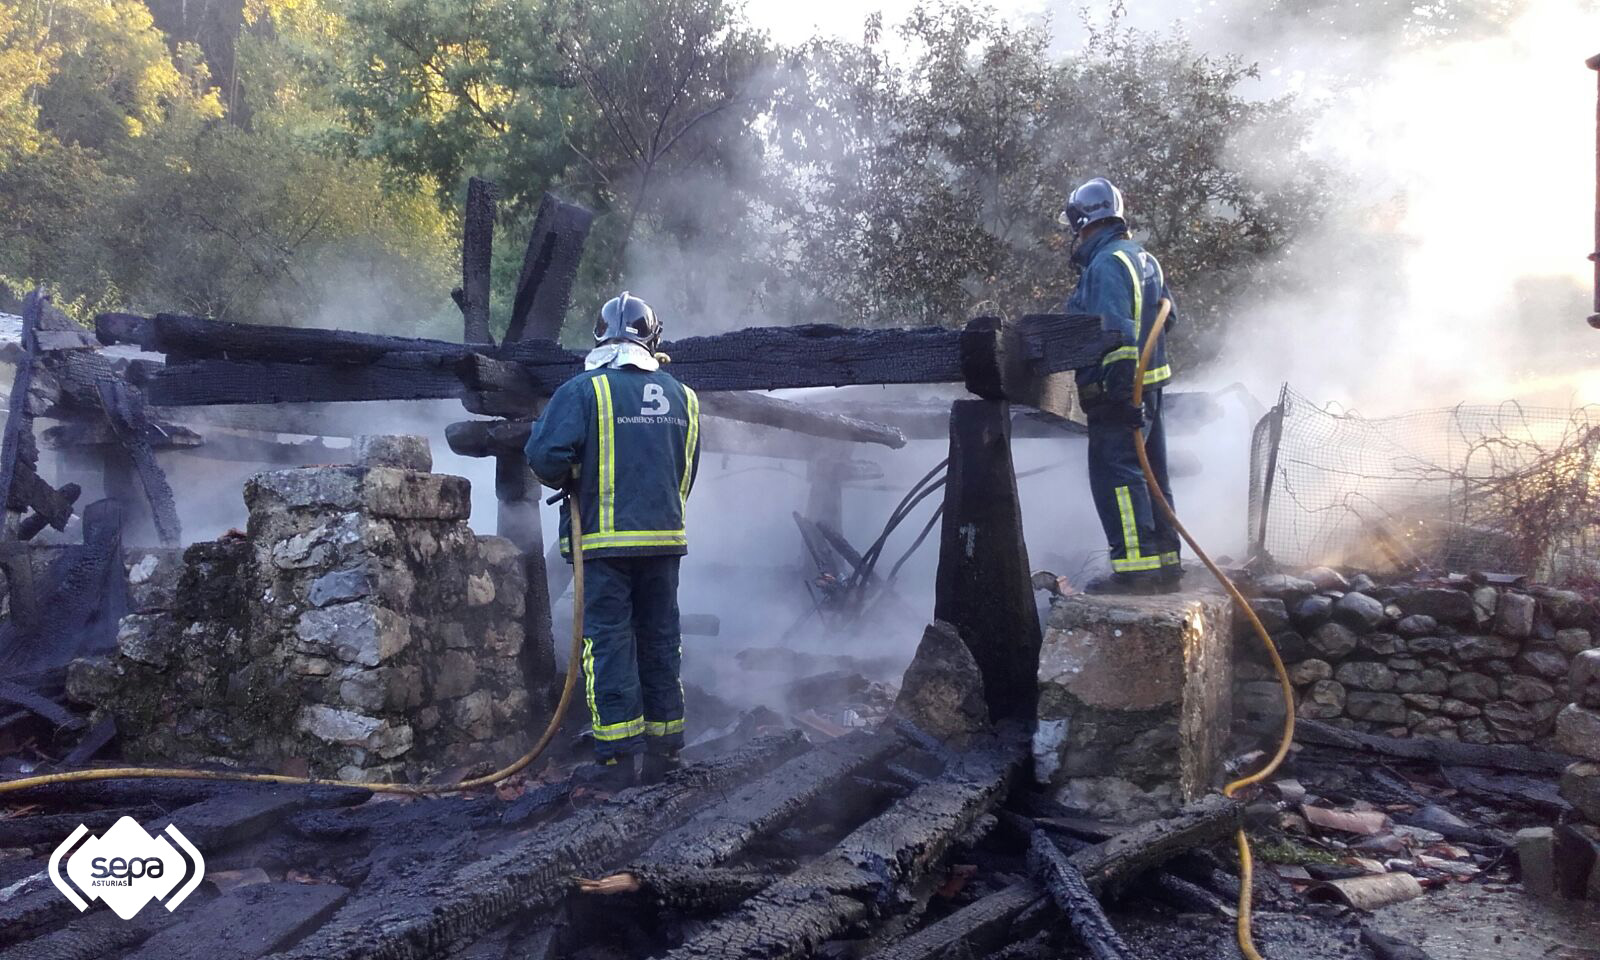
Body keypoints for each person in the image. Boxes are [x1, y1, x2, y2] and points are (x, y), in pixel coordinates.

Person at [525, 292, 701, 787]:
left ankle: (617, 759)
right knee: (661, 638)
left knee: (607, 643)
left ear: (600, 337)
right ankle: (666, 753)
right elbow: (685, 470)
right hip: (664, 541)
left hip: (604, 545)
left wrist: (573, 475)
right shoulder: (684, 397)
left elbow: (543, 457)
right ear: (653, 340)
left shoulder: (584, 390)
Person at [1060, 177, 1183, 594]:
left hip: (1121, 390)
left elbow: (1115, 335)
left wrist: (1116, 394)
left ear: (1082, 222)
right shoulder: (1143, 258)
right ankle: (1166, 562)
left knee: (1118, 476)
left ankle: (1136, 571)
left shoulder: (1107, 264)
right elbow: (1168, 317)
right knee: (1152, 474)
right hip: (1150, 388)